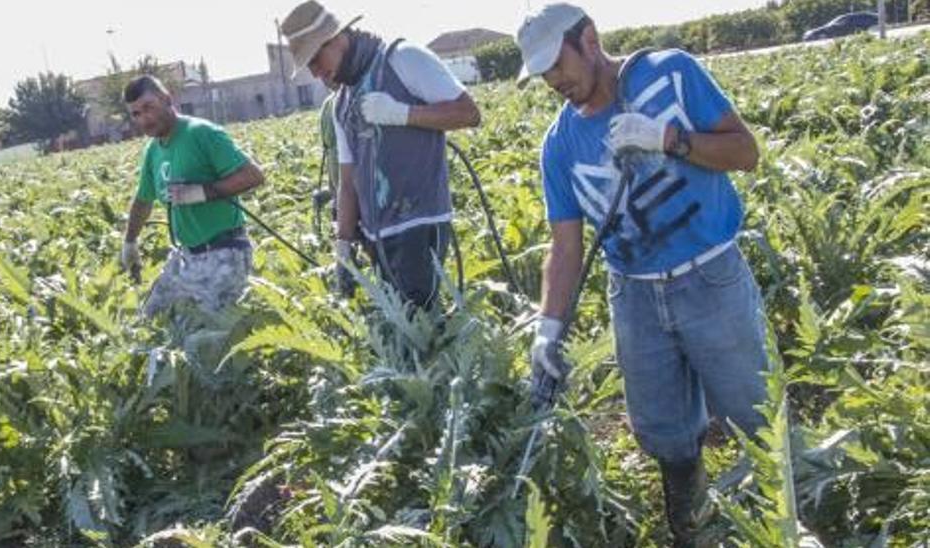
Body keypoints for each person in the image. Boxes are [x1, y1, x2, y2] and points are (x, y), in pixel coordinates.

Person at [517, 4, 767, 546]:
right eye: (540, 73)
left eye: (556, 64)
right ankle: (690, 519)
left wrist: (670, 139)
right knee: (663, 432)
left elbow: (746, 152)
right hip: (632, 296)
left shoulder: (669, 74)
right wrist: (548, 329)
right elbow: (564, 247)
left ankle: (784, 518)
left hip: (710, 278)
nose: (552, 80)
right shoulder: (559, 146)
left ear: (588, 39)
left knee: (757, 417)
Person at [280, 1, 481, 310]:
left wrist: (401, 113)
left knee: (418, 325)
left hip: (418, 221)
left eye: (316, 59)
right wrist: (343, 247)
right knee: (397, 328)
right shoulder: (341, 103)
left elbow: (468, 113)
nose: (317, 72)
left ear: (336, 39)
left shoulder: (403, 59)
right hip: (375, 236)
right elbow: (348, 181)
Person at [118, 75, 266, 318]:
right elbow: (143, 200)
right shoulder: (153, 150)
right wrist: (130, 242)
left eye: (148, 108)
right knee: (149, 319)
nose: (144, 119)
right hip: (185, 256)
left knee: (205, 335)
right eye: (136, 114)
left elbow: (253, 176)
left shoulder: (202, 133)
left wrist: (201, 192)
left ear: (167, 99)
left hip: (224, 252)